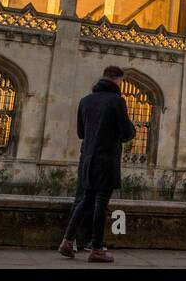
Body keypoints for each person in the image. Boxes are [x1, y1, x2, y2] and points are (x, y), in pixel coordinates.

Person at [57, 65, 136, 263]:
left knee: (86, 200)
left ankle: (67, 241)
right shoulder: (117, 101)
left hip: (87, 159)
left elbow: (81, 133)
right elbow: (127, 133)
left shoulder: (85, 101)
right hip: (106, 160)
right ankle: (97, 249)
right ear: (118, 80)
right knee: (101, 203)